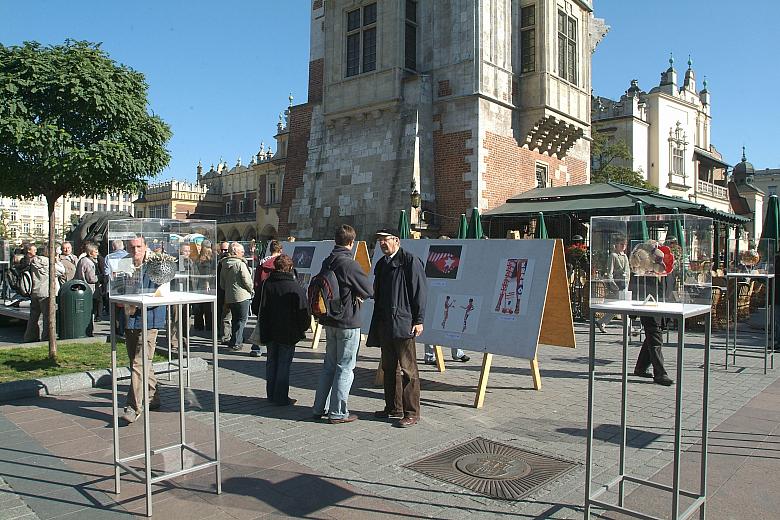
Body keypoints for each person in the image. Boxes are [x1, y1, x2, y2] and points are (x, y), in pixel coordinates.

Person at [312, 225, 374, 424]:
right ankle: (338, 412)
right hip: (347, 321)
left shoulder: (328, 261)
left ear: (335, 241)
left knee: (329, 366)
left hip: (329, 320)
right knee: (345, 367)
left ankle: (318, 407)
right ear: (351, 242)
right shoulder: (349, 263)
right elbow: (368, 290)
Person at [367, 229, 427, 428]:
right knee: (389, 368)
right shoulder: (382, 264)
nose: (382, 244)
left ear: (396, 241)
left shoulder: (410, 261)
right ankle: (393, 407)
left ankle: (412, 412)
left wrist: (418, 320)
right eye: (380, 241)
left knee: (409, 369)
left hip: (403, 322)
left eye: (385, 240)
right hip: (385, 323)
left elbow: (419, 291)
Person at [121, 236, 166, 424]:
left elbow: (163, 290)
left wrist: (146, 299)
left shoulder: (157, 263)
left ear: (145, 246)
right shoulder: (124, 263)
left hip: (150, 318)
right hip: (129, 317)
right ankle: (153, 396)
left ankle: (133, 407)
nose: (135, 251)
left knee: (139, 363)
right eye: (131, 247)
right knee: (138, 360)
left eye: (138, 247)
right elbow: (117, 286)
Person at [258, 254, 310, 406]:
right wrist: (301, 329)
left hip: (269, 329)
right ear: (290, 268)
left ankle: (271, 394)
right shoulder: (294, 287)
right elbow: (304, 312)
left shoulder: (266, 284)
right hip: (288, 332)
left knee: (271, 361)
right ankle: (280, 396)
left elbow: (256, 306)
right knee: (283, 364)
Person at [22, 244, 65, 342]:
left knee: (33, 316)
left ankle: (30, 336)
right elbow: (61, 271)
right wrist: (57, 260)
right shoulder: (47, 262)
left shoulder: (33, 261)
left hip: (35, 291)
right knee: (48, 316)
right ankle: (47, 337)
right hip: (46, 293)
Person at [250, 240, 283, 357]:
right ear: (280, 250)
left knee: (261, 322)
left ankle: (257, 347)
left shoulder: (262, 262)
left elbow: (256, 280)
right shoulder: (281, 263)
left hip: (262, 293)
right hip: (276, 295)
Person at [219, 242, 253, 351]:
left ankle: (233, 340)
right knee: (242, 320)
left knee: (234, 320)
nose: (243, 253)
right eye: (241, 251)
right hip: (242, 296)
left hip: (230, 296)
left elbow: (222, 283)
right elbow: (247, 281)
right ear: (235, 252)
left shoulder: (224, 264)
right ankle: (237, 343)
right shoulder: (240, 264)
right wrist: (251, 291)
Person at [597, 236, 630, 333]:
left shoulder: (625, 256)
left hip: (625, 285)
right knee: (622, 307)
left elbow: (627, 271)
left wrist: (628, 283)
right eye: (621, 244)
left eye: (625, 244)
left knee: (619, 307)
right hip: (617, 284)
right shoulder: (613, 256)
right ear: (617, 245)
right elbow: (609, 271)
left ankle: (602, 322)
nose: (623, 246)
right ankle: (628, 328)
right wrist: (612, 284)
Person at [193, 240, 214, 331]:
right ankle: (208, 325)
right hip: (203, 283)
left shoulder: (203, 258)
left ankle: (199, 325)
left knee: (201, 306)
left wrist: (207, 282)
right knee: (206, 306)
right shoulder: (209, 257)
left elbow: (209, 271)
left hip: (202, 283)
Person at [216, 241, 232, 344]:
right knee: (222, 314)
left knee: (227, 315)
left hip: (228, 291)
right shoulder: (218, 261)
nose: (223, 252)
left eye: (225, 250)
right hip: (220, 291)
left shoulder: (226, 262)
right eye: (222, 250)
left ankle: (226, 334)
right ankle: (222, 333)